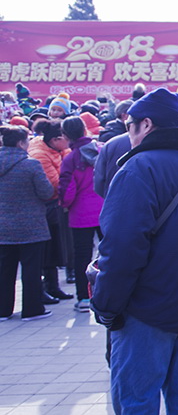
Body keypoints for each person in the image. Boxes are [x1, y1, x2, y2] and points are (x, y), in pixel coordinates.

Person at [90, 88, 178, 414]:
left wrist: (106, 305)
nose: (129, 135)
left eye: (130, 127)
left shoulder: (138, 168)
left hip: (145, 311)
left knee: (137, 402)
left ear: (146, 125)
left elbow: (121, 248)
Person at [0, 125, 55, 321]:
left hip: (3, 227)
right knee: (32, 268)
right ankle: (32, 309)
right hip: (31, 226)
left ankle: (3, 310)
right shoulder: (31, 165)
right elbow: (46, 192)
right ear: (21, 143)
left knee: (5, 269)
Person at [58, 116, 103, 313]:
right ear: (85, 130)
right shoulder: (100, 150)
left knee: (82, 257)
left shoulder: (71, 158)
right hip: (104, 208)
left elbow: (67, 190)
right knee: (110, 252)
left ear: (66, 135)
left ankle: (84, 297)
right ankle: (110, 291)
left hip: (80, 213)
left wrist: (64, 204)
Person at [28, 119, 73, 302]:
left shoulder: (59, 149)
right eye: (66, 139)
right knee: (48, 249)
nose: (69, 143)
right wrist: (70, 172)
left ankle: (53, 287)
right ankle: (48, 287)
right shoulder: (39, 154)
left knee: (54, 248)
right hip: (47, 207)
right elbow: (54, 184)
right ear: (56, 140)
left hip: (56, 204)